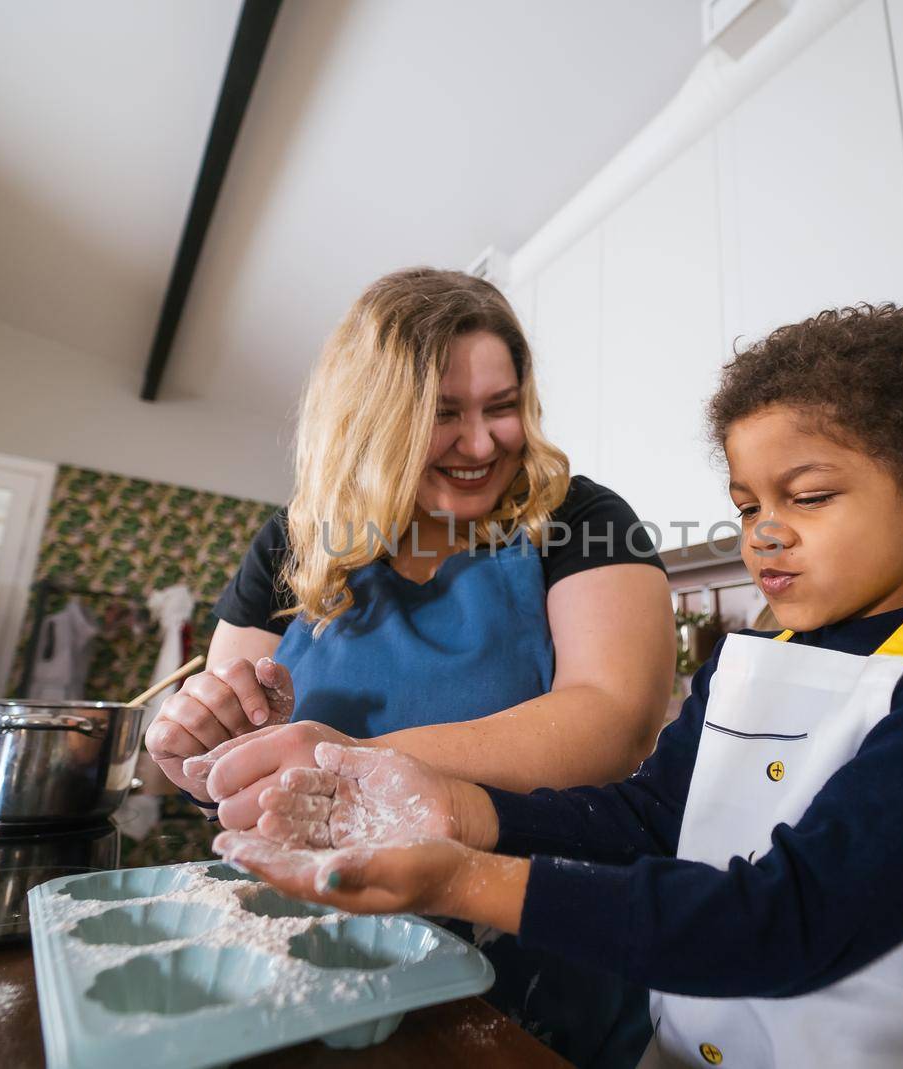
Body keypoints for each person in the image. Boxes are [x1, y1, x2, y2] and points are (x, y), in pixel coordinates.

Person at [218, 304, 903, 1069]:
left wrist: (460, 878)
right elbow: (641, 821)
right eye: (746, 507)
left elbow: (793, 919)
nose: (765, 536)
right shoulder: (741, 666)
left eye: (809, 497)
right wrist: (443, 803)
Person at [143, 267, 675, 1067]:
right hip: (317, 950)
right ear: (370, 420)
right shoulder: (292, 545)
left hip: (535, 958)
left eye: (503, 407)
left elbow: (613, 719)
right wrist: (197, 743)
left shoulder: (581, 519)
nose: (483, 441)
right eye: (443, 414)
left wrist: (357, 763)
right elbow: (230, 746)